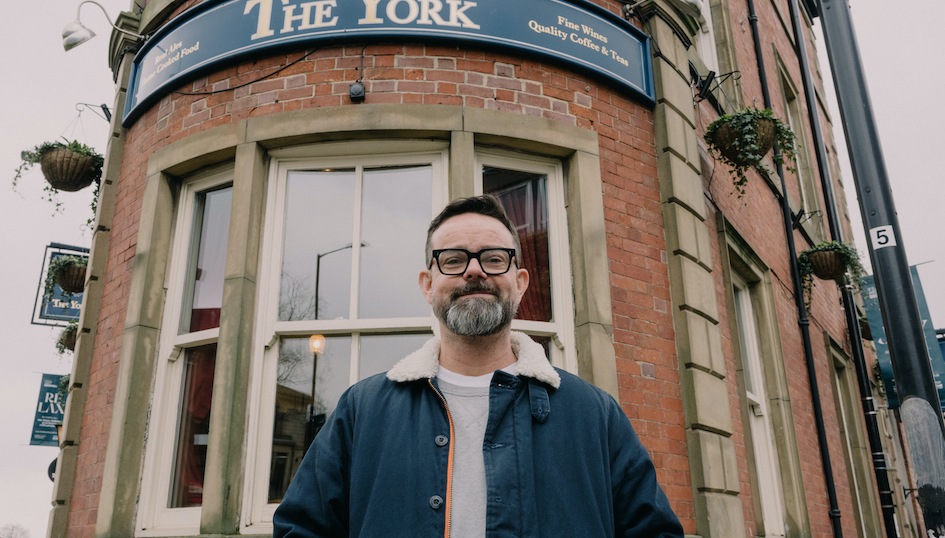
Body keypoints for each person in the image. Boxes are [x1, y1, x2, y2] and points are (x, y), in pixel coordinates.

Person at [273, 195, 684, 538]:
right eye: (453, 260)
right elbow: (300, 529)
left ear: (520, 282)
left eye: (494, 258)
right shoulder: (362, 410)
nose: (474, 270)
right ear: (428, 284)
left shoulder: (594, 413)